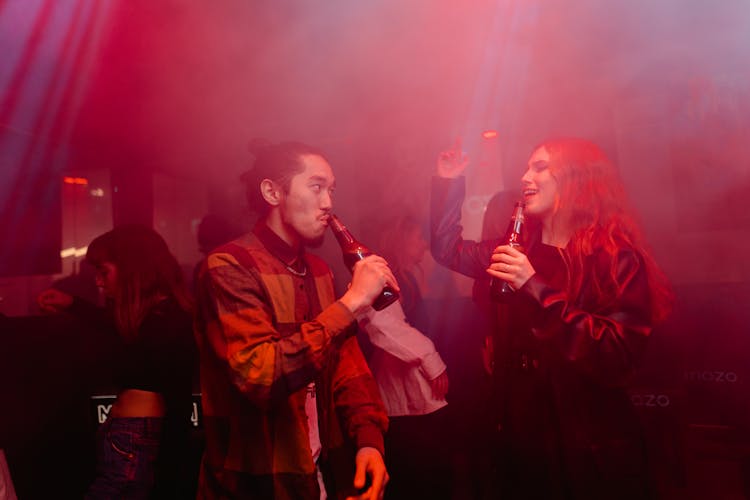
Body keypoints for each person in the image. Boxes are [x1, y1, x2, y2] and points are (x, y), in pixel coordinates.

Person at [431, 137, 672, 499]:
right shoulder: (516, 249)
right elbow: (448, 249)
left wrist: (533, 287)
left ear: (576, 179)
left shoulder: (613, 258)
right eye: (527, 167)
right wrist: (448, 183)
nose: (525, 176)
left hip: (581, 429)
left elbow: (618, 356)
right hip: (517, 421)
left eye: (540, 167)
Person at [193, 141, 394, 499]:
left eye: (331, 189)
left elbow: (348, 366)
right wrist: (352, 302)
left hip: (318, 474)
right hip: (256, 484)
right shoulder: (228, 265)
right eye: (316, 187)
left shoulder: (319, 271)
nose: (328, 202)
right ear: (272, 191)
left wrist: (369, 441)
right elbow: (258, 375)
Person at [37, 225, 196, 499]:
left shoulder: (168, 321)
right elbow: (115, 325)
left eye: (104, 272)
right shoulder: (151, 317)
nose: (98, 282)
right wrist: (73, 303)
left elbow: (175, 396)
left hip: (135, 437)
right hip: (127, 436)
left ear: (133, 270)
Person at [355, 215, 449, 500]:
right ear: (400, 239)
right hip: (401, 397)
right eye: (418, 237)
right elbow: (384, 325)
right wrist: (432, 361)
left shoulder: (410, 276)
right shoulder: (383, 278)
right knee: (414, 473)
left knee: (431, 472)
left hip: (415, 393)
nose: (423, 244)